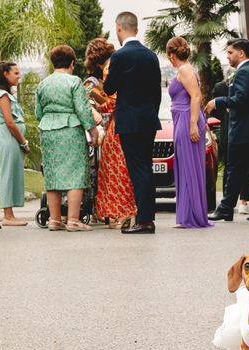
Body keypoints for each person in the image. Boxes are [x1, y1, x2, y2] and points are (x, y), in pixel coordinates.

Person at [104, 11, 162, 234]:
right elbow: (156, 92)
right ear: (136, 29)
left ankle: (145, 220)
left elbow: (109, 88)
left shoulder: (119, 57)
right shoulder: (151, 56)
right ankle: (146, 216)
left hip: (129, 120)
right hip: (148, 119)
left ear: (119, 28)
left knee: (137, 170)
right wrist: (151, 113)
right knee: (146, 167)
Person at [205, 38, 249, 222]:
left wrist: (217, 102)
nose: (227, 56)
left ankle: (226, 208)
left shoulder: (244, 72)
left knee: (235, 169)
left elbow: (241, 98)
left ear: (241, 53)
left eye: (230, 52)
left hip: (245, 132)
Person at [35, 46, 98, 232]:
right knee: (75, 173)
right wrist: (92, 131)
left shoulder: (43, 84)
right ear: (72, 63)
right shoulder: (74, 81)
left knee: (53, 173)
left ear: (53, 63)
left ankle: (54, 219)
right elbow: (82, 109)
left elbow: (38, 112)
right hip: (70, 129)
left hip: (48, 130)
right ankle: (73, 219)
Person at [85, 37, 137, 229]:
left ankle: (118, 213)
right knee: (124, 169)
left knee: (114, 170)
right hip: (129, 121)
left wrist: (97, 101)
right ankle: (129, 211)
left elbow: (113, 101)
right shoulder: (123, 66)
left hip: (116, 124)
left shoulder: (109, 69)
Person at [166, 37, 213, 229]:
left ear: (171, 55)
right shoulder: (186, 69)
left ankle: (191, 216)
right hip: (183, 118)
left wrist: (193, 124)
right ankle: (187, 215)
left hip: (187, 119)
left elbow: (196, 96)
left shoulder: (185, 70)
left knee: (189, 167)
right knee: (186, 166)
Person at [211, 74, 249, 215]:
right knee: (230, 166)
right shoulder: (220, 87)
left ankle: (242, 201)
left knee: (239, 166)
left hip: (240, 129)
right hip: (228, 129)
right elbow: (216, 114)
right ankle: (228, 201)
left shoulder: (244, 86)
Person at [0, 62, 29, 227]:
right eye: (16, 73)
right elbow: (10, 122)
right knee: (8, 174)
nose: (19, 76)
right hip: (9, 138)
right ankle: (8, 215)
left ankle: (7, 213)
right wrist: (23, 142)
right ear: (5, 74)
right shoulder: (2, 95)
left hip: (6, 137)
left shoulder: (4, 94)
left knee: (5, 172)